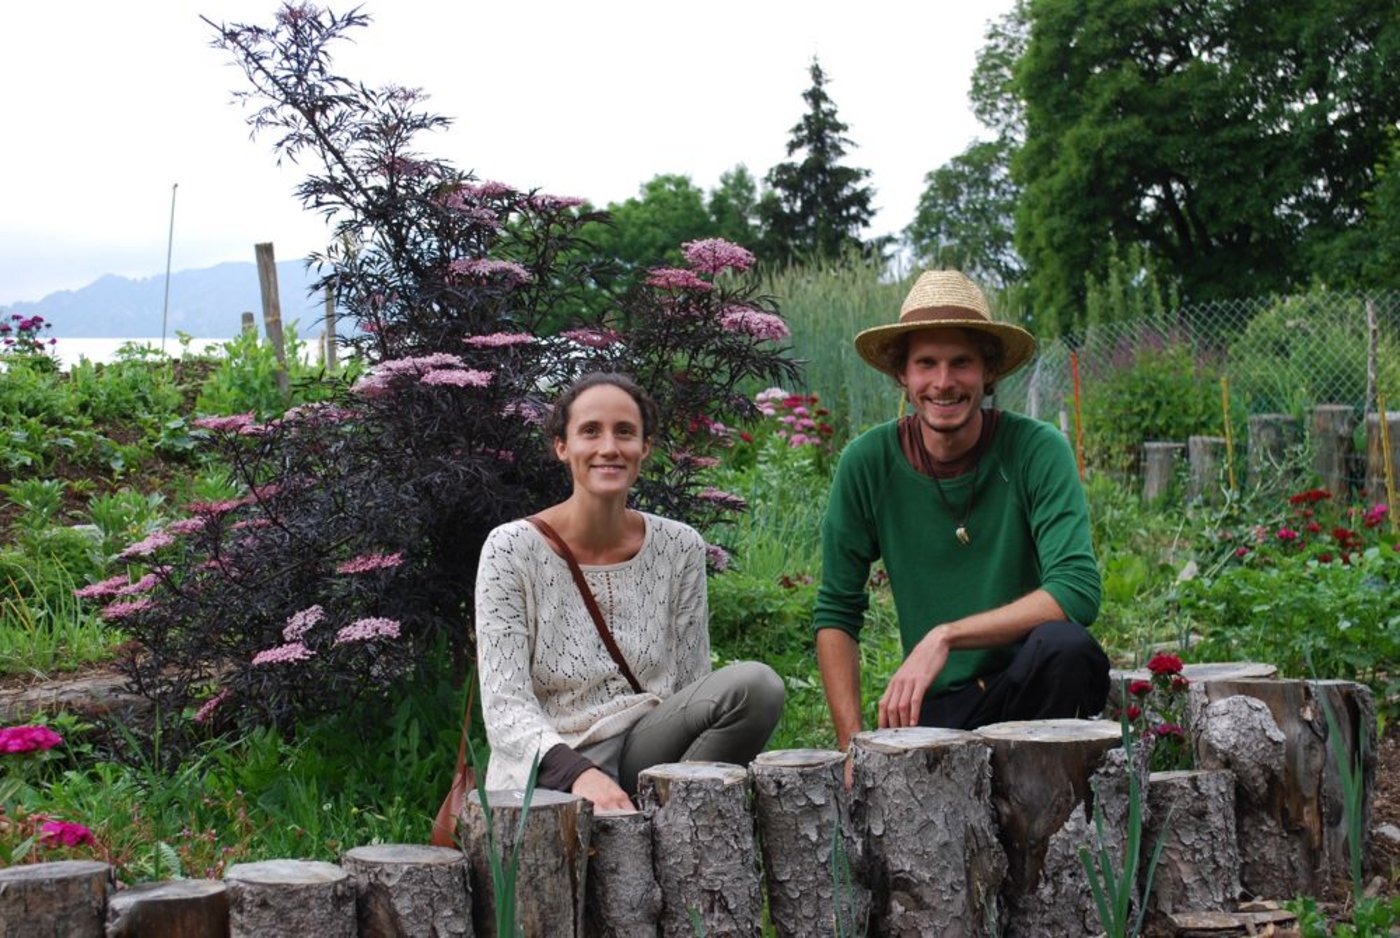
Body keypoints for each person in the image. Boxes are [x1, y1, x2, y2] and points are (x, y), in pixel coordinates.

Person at [814, 270, 1108, 755]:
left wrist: (946, 636)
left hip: (1032, 685)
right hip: (939, 706)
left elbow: (1076, 589)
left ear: (988, 371)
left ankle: (1048, 806)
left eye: (961, 363)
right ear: (902, 376)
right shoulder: (867, 462)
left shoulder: (1036, 449)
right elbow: (836, 612)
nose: (943, 383)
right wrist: (851, 747)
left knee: (1066, 647)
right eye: (926, 363)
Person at [476, 372, 785, 810]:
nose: (609, 447)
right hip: (553, 762)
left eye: (625, 432)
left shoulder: (679, 545)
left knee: (758, 686)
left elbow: (693, 685)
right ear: (562, 447)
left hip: (647, 747)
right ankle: (649, 829)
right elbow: (505, 705)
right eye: (590, 431)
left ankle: (672, 826)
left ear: (645, 448)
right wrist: (580, 775)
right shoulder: (511, 548)